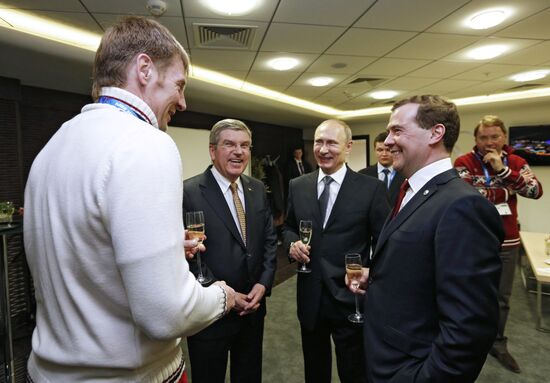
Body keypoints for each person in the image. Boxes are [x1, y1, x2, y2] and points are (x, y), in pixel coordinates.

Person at [23, 16, 235, 383]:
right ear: (144, 69)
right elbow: (166, 314)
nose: (183, 102)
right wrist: (221, 297)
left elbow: (84, 251)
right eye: (179, 85)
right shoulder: (145, 143)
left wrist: (163, 248)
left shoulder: (52, 146)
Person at [352, 95, 504, 383]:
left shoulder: (462, 206)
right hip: (384, 355)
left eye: (398, 131)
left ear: (436, 133)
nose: (387, 141)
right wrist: (376, 277)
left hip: (409, 368)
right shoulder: (411, 191)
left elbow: (469, 329)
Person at [284, 119, 390, 383]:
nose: (323, 149)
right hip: (310, 295)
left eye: (332, 142)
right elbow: (287, 227)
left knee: (354, 370)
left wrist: (373, 273)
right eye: (319, 142)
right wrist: (292, 243)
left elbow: (386, 242)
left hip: (350, 297)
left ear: (348, 147)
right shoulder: (298, 186)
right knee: (314, 369)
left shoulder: (370, 188)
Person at [183, 118, 277, 383]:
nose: (239, 152)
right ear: (213, 151)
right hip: (210, 314)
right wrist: (225, 295)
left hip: (252, 308)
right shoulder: (189, 192)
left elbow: (269, 240)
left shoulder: (257, 188)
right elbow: (189, 257)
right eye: (230, 145)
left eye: (245, 145)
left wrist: (263, 282)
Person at [454, 115, 543, 373]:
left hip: (507, 242)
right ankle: (469, 339)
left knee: (501, 298)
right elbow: (465, 196)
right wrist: (506, 189)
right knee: (469, 294)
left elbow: (535, 191)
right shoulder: (464, 162)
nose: (489, 142)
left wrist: (502, 171)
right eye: (483, 137)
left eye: (494, 137)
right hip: (474, 241)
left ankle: (498, 343)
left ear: (504, 137)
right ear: (476, 139)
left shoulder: (517, 161)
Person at [359, 131, 406, 205]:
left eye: (388, 150)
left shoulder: (405, 175)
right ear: (375, 151)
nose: (384, 154)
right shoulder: (363, 174)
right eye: (380, 150)